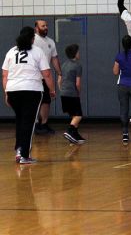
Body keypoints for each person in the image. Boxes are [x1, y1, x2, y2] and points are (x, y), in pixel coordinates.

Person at [2, 26, 55, 164]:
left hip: (13, 90)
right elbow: (47, 74)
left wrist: (6, 92)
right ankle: (24, 154)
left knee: (20, 120)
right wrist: (52, 89)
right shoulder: (37, 51)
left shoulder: (11, 52)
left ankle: (19, 150)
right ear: (33, 38)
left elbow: (5, 75)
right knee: (29, 123)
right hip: (31, 90)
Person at [34, 20, 62, 134]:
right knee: (35, 101)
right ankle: (35, 124)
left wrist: (60, 73)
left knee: (46, 101)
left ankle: (44, 124)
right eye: (43, 26)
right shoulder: (32, 40)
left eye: (46, 26)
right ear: (36, 28)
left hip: (45, 77)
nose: (45, 27)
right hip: (34, 77)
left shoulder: (50, 42)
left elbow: (54, 59)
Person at [58, 44, 86, 144]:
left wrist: (61, 90)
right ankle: (69, 131)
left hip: (63, 93)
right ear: (75, 53)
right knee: (78, 116)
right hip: (72, 93)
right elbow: (77, 83)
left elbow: (59, 80)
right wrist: (78, 92)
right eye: (78, 52)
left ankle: (75, 135)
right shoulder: (77, 65)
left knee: (73, 115)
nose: (79, 53)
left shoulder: (64, 64)